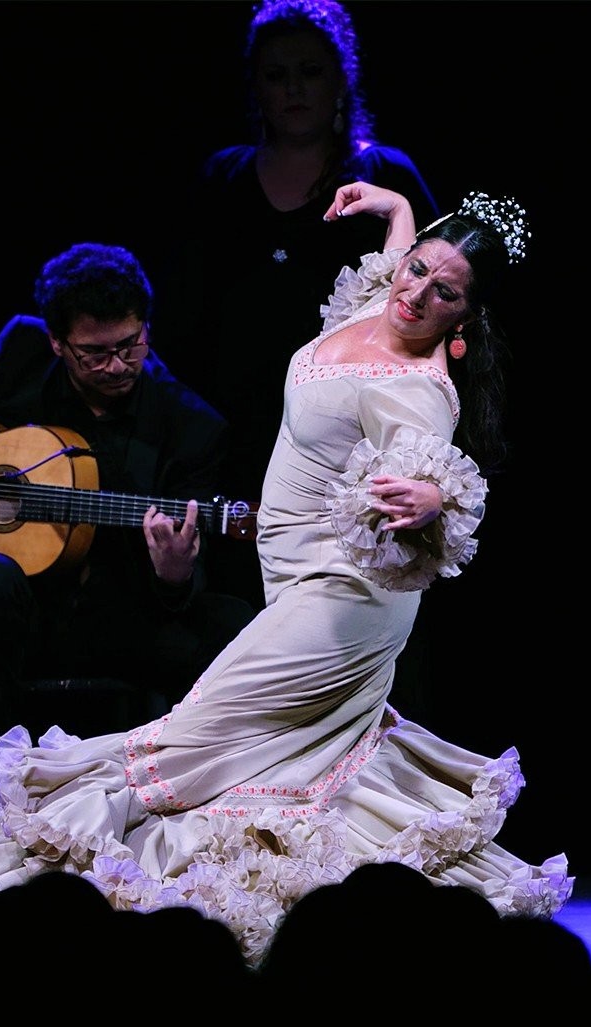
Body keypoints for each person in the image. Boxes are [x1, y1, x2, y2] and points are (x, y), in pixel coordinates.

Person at [0, 183, 569, 978]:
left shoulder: (417, 389)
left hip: (345, 604)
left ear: (466, 319)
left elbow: (438, 473)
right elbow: (391, 272)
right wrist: (397, 208)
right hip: (296, 584)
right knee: (277, 769)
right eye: (417, 269)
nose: (415, 292)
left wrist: (433, 498)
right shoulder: (378, 305)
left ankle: (79, 905)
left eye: (444, 292)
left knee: (183, 750)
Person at [0, 241, 259, 801]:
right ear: (57, 343)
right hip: (11, 622)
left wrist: (174, 575)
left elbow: (181, 582)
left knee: (234, 622)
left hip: (114, 618)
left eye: (130, 345)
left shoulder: (190, 426)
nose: (117, 366)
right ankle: (2, 786)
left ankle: (172, 799)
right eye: (93, 353)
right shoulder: (18, 358)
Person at [155, 0, 442, 618]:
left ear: (340, 79)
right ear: (255, 84)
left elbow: (433, 301)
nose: (293, 89)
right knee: (243, 609)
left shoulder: (385, 177)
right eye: (276, 74)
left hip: (348, 437)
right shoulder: (223, 178)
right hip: (235, 439)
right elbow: (182, 320)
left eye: (309, 72)